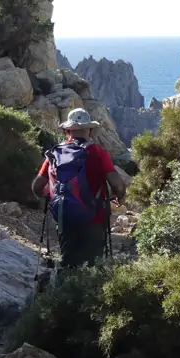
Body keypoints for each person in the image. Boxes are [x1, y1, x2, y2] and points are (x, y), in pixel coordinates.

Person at [31, 108, 126, 270]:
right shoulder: (98, 152)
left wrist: (50, 196)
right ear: (89, 129)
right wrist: (118, 197)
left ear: (68, 130)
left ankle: (64, 288)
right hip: (93, 219)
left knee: (68, 260)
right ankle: (87, 290)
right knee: (92, 265)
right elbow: (117, 184)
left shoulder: (55, 153)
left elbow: (37, 186)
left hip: (64, 218)